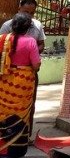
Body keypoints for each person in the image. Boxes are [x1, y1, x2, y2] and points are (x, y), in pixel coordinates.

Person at [0, 13, 42, 157]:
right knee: (19, 115)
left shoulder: (2, 39)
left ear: (12, 25)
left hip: (3, 83)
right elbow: (36, 65)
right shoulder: (30, 42)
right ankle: (15, 150)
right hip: (22, 85)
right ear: (28, 27)